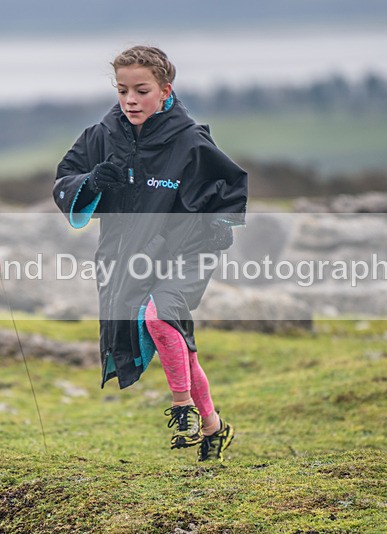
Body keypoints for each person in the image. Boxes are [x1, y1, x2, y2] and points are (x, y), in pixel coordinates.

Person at [53, 46, 248, 462]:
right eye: (122, 90)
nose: (130, 100)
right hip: (129, 254)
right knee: (172, 334)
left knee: (159, 316)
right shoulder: (101, 136)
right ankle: (213, 426)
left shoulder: (190, 140)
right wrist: (92, 182)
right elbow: (65, 179)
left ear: (165, 91)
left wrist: (219, 224)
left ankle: (182, 408)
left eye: (141, 91)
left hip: (189, 250)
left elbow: (229, 188)